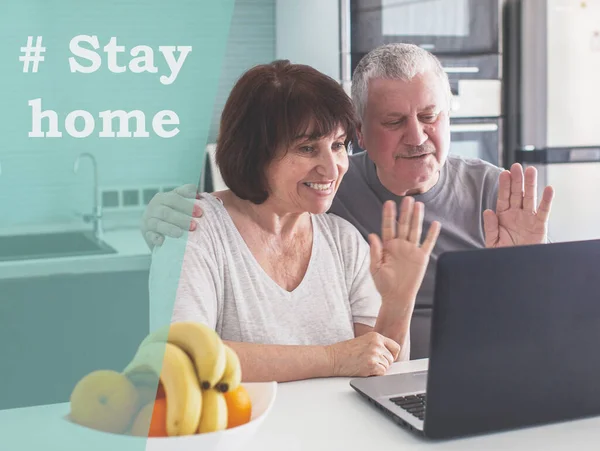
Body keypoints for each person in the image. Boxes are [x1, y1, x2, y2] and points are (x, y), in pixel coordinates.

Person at [142, 44, 555, 359]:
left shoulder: (497, 194)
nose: (416, 137)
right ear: (362, 131)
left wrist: (523, 273)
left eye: (430, 117)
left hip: (471, 373)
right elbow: (179, 356)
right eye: (394, 122)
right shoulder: (331, 197)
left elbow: (549, 329)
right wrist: (161, 219)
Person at [148, 59, 442, 383]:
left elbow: (378, 370)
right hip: (244, 432)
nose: (332, 169)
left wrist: (398, 303)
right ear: (254, 153)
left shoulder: (344, 241)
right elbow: (180, 359)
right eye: (306, 148)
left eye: (338, 145)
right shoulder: (194, 230)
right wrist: (331, 358)